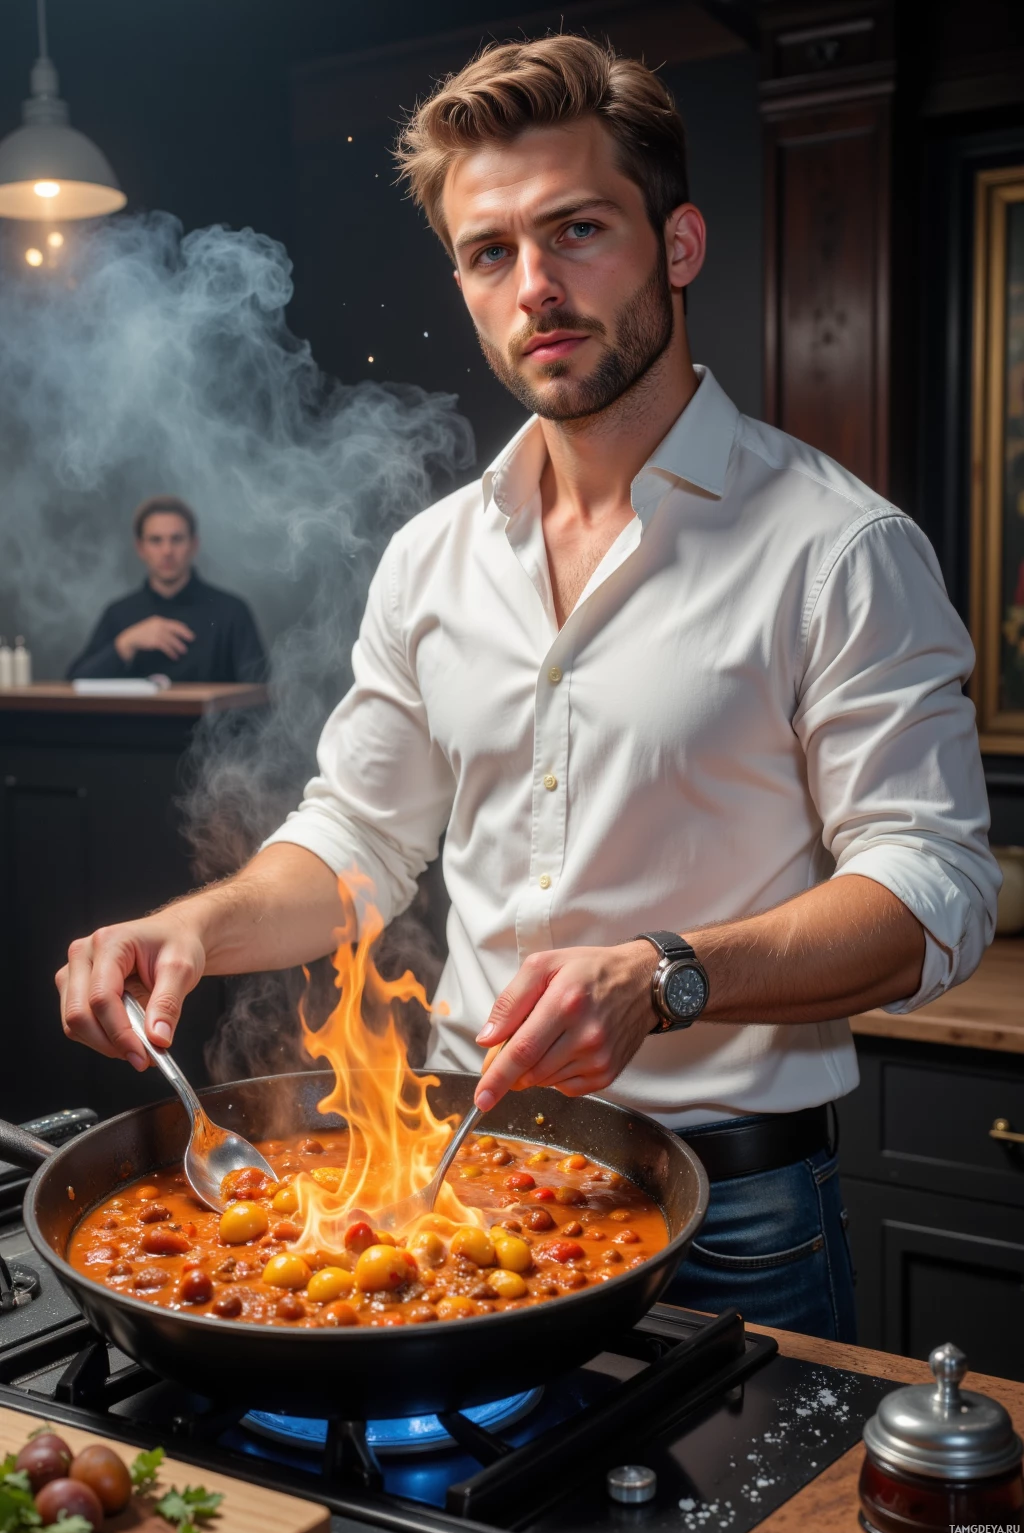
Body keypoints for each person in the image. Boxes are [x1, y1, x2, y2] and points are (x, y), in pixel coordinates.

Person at [56, 37, 999, 1342]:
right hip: (461, 1199)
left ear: (677, 244)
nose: (537, 287)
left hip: (737, 1222)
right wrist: (194, 933)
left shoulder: (839, 549)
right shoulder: (434, 557)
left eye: (579, 230)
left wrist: (667, 975)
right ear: (461, 280)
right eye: (491, 252)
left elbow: (935, 888)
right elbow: (356, 842)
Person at [67, 495, 266, 684]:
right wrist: (126, 644)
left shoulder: (231, 611)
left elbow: (259, 692)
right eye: (156, 540)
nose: (167, 551)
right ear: (140, 547)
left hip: (211, 722)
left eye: (177, 539)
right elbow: (73, 684)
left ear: (194, 545)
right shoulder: (118, 614)